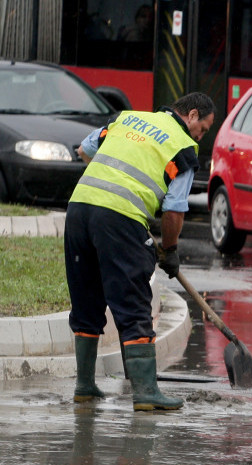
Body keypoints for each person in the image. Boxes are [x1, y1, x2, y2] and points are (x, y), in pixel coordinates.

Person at [66, 92, 216, 411]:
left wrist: (110, 185)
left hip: (79, 211)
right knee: (133, 302)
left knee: (86, 298)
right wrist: (171, 250)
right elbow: (174, 211)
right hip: (119, 219)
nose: (201, 137)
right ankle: (146, 392)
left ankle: (84, 385)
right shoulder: (184, 149)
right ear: (191, 115)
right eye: (202, 129)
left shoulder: (127, 118)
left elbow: (85, 149)